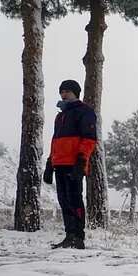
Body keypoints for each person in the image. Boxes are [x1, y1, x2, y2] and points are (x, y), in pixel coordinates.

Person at [43, 79, 97, 249]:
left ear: (75, 93)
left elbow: (89, 139)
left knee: (74, 200)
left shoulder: (85, 111)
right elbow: (55, 141)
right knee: (64, 200)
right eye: (62, 91)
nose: (63, 94)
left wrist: (81, 161)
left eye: (67, 91)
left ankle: (78, 237)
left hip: (74, 164)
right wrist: (49, 164)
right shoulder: (60, 116)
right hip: (59, 164)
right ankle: (69, 235)